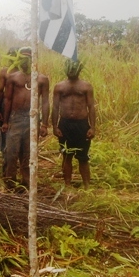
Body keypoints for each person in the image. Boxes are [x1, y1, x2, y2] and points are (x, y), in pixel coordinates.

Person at [0, 47, 49, 190]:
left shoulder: (42, 79)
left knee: (29, 152)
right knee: (11, 151)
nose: (24, 62)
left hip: (32, 118)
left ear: (33, 60)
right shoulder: (13, 78)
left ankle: (27, 181)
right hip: (15, 117)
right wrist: (5, 121)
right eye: (22, 59)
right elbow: (8, 99)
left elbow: (45, 102)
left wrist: (44, 124)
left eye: (27, 59)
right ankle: (10, 181)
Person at [52, 59, 96, 189]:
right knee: (67, 156)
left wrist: (92, 127)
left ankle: (87, 185)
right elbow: (55, 107)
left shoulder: (86, 86)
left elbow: (91, 107)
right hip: (65, 124)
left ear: (79, 70)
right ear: (66, 69)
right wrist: (55, 126)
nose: (71, 71)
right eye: (69, 69)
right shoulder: (59, 86)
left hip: (81, 125)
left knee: (83, 157)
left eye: (74, 69)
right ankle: (67, 185)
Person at [0, 47, 18, 155]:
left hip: (19, 107)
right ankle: (6, 157)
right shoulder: (5, 71)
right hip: (5, 104)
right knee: (5, 128)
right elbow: (0, 91)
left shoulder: (29, 73)